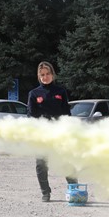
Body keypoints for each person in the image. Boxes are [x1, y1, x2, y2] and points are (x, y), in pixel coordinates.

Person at [27, 61, 77, 202]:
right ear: (39, 76)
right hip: (42, 135)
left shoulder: (60, 92)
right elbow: (31, 115)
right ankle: (45, 193)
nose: (45, 77)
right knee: (41, 164)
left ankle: (74, 189)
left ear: (52, 75)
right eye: (42, 74)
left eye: (48, 74)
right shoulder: (34, 93)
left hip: (60, 133)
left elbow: (66, 114)